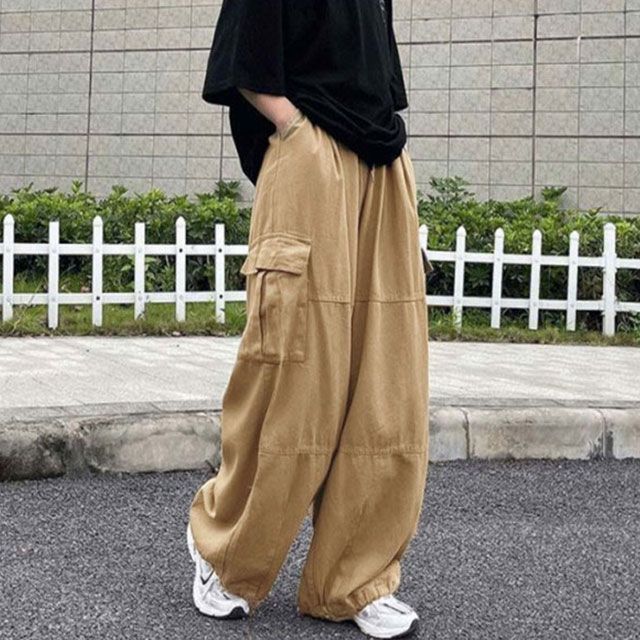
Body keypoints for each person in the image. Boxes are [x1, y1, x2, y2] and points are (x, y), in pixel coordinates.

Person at [186, 1, 430, 637]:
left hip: (382, 163)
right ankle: (226, 552)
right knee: (292, 377)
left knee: (385, 386)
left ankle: (354, 581)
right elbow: (244, 56)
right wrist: (293, 128)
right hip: (310, 151)